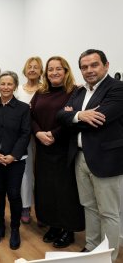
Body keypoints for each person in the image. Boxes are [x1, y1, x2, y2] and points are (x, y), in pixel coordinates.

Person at [57, 49, 123, 261]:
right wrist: (78, 115)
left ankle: (108, 257)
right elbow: (61, 115)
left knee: (109, 212)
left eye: (94, 65)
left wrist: (73, 117)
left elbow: (100, 120)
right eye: (84, 67)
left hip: (106, 160)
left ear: (106, 65)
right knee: (89, 206)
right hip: (80, 157)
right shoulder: (79, 91)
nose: (89, 70)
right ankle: (92, 247)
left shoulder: (117, 88)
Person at [31, 56, 84, 248]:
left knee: (65, 191)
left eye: (58, 69)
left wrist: (53, 134)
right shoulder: (40, 92)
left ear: (66, 71)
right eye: (50, 69)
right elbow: (31, 115)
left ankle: (67, 230)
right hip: (43, 149)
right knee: (46, 189)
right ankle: (53, 225)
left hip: (64, 149)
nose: (54, 72)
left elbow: (73, 118)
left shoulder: (75, 92)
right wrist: (38, 133)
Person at [0, 71, 30, 250]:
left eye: (9, 84)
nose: (5, 87)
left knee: (13, 194)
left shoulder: (23, 108)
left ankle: (15, 228)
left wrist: (13, 155)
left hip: (16, 160)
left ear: (15, 86)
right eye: (2, 84)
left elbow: (26, 133)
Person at [15, 56, 43, 225]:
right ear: (25, 70)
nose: (32, 69)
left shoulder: (46, 89)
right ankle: (25, 207)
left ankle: (43, 209)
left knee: (42, 173)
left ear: (41, 71)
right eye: (29, 67)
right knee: (25, 172)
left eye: (36, 67)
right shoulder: (17, 89)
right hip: (23, 136)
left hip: (42, 135)